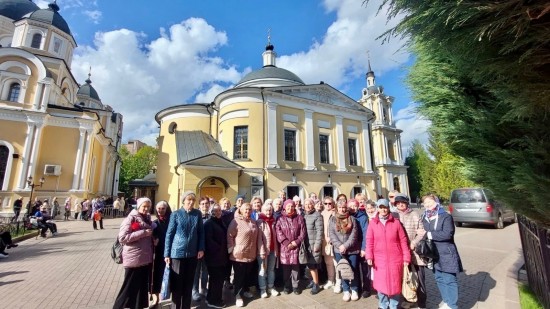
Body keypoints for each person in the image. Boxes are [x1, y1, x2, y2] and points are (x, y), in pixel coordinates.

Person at [366, 199, 411, 309]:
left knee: (395, 284)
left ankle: (394, 305)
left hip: (395, 259)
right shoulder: (373, 223)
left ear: (388, 208)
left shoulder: (396, 223)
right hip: (379, 259)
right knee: (381, 285)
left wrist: (406, 257)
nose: (383, 209)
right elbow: (369, 241)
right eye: (381, 207)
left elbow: (403, 240)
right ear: (378, 208)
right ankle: (383, 305)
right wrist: (369, 256)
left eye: (385, 207)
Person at [164, 191, 205, 309]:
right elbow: (169, 234)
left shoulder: (197, 214)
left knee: (188, 284)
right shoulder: (176, 214)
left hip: (192, 254)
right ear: (183, 201)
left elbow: (201, 232)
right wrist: (167, 254)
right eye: (189, 200)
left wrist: (201, 248)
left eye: (193, 200)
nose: (191, 202)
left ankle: (186, 306)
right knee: (177, 284)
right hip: (177, 253)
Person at [422, 194, 463, 309]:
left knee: (449, 279)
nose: (428, 204)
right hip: (433, 254)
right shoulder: (425, 217)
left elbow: (447, 234)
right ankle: (446, 301)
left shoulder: (445, 216)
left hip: (446, 252)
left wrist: (429, 234)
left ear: (436, 201)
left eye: (430, 201)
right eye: (425, 203)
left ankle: (453, 305)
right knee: (439, 278)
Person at [113, 197, 155, 309]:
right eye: (144, 206)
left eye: (148, 207)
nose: (146, 209)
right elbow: (122, 238)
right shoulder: (130, 219)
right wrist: (143, 233)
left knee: (141, 287)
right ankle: (118, 307)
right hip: (133, 259)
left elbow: (147, 236)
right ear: (139, 206)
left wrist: (153, 239)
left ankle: (137, 306)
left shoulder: (146, 218)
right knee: (128, 287)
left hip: (144, 258)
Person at [227, 202, 265, 307]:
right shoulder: (236, 221)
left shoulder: (253, 221)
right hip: (238, 254)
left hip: (251, 253)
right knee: (239, 276)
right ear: (241, 210)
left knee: (247, 275)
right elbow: (230, 234)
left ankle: (245, 290)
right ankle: (238, 295)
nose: (247, 211)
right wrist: (231, 247)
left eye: (249, 209)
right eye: (245, 210)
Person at [394, 194, 427, 309]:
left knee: (419, 278)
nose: (400, 205)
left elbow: (421, 231)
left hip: (414, 252)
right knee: (404, 278)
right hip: (400, 253)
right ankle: (407, 301)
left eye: (402, 202)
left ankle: (421, 303)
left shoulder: (414, 214)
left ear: (407, 203)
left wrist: (414, 242)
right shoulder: (394, 215)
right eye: (398, 203)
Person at [329, 198, 361, 302]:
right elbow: (332, 235)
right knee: (343, 270)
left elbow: (354, 235)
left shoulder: (352, 219)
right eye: (340, 207)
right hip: (339, 250)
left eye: (344, 207)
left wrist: (345, 246)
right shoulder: (333, 219)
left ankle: (354, 289)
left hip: (352, 249)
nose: (342, 210)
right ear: (337, 208)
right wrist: (339, 246)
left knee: (353, 269)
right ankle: (346, 290)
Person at [275, 199, 306, 295]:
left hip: (296, 247)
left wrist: (296, 242)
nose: (290, 208)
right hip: (285, 247)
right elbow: (278, 232)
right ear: (284, 207)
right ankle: (287, 286)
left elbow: (303, 232)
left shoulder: (299, 218)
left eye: (292, 206)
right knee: (286, 269)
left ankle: (296, 286)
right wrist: (287, 243)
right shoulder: (280, 219)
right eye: (288, 206)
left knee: (295, 268)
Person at [204, 204, 229, 308]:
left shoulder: (221, 221)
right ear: (211, 212)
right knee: (216, 280)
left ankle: (210, 298)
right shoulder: (209, 223)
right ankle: (215, 301)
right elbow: (209, 240)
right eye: (215, 211)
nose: (218, 212)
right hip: (214, 257)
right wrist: (219, 249)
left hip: (221, 257)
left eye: (219, 210)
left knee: (217, 279)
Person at [348, 198, 371, 298]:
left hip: (361, 245)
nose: (352, 208)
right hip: (352, 247)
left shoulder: (363, 217)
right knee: (355, 268)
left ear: (358, 206)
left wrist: (363, 248)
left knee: (365, 268)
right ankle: (357, 287)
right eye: (351, 206)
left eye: (354, 206)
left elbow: (366, 233)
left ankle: (367, 288)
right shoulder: (347, 216)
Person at [151, 200, 172, 307]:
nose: (160, 210)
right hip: (159, 254)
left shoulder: (172, 221)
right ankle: (156, 298)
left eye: (163, 208)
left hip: (171, 253)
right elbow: (151, 237)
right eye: (159, 208)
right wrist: (154, 241)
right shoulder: (154, 223)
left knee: (171, 276)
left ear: (166, 209)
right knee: (157, 276)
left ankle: (172, 297)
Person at [256, 203, 279, 298]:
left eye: (270, 210)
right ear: (262, 211)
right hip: (263, 251)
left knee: (271, 270)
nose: (268, 212)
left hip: (273, 250)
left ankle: (271, 287)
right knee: (262, 270)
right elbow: (259, 239)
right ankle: (262, 289)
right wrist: (262, 251)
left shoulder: (274, 221)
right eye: (266, 210)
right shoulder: (260, 222)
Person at [303, 197, 323, 295]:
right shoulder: (304, 215)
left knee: (313, 265)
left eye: (310, 204)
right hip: (306, 244)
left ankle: (316, 284)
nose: (308, 206)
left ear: (313, 205)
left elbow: (320, 231)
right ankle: (312, 281)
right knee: (309, 264)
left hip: (313, 244)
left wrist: (317, 244)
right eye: (306, 204)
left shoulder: (317, 215)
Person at [192, 197, 210, 301]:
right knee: (196, 270)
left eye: (206, 203)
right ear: (199, 205)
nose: (205, 205)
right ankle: (194, 290)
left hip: (208, 248)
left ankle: (203, 288)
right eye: (202, 204)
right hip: (196, 248)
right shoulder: (196, 216)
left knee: (205, 270)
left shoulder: (211, 217)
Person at [321, 196, 337, 291]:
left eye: (330, 203)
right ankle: (330, 280)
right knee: (328, 263)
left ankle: (338, 281)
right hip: (325, 243)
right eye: (326, 203)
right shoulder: (321, 214)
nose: (328, 205)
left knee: (336, 262)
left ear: (333, 204)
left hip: (334, 241)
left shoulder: (336, 213)